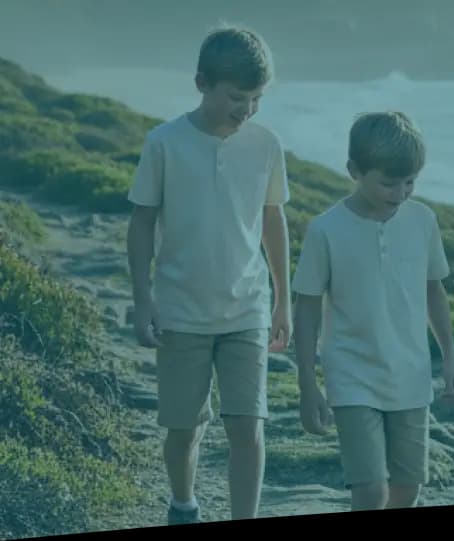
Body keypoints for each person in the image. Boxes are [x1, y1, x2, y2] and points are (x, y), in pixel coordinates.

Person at [125, 25, 291, 524]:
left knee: (248, 425)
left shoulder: (266, 144)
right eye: (237, 98)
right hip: (180, 310)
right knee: (184, 430)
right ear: (203, 83)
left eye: (257, 99)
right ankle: (184, 503)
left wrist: (283, 298)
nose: (247, 110)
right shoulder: (164, 143)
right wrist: (142, 297)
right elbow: (142, 222)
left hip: (247, 308)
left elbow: (273, 218)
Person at [290, 111, 454, 511]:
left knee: (407, 489)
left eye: (410, 182)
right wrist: (307, 383)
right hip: (351, 374)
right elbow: (307, 309)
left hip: (411, 375)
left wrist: (449, 358)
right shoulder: (325, 229)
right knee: (368, 490)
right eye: (388, 182)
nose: (401, 193)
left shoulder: (423, 220)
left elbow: (434, 291)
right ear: (354, 170)